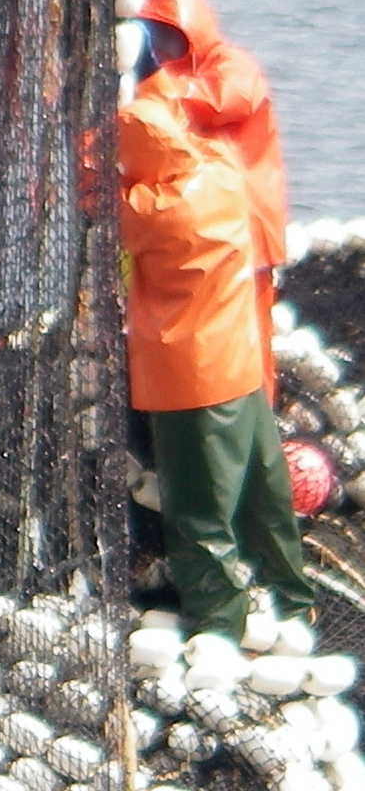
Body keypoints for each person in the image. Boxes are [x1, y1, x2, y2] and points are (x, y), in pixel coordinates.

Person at [116, 90, 314, 643]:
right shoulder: (220, 173)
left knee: (199, 511)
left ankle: (217, 625)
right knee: (261, 496)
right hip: (240, 367)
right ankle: (292, 602)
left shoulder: (160, 209)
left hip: (190, 380)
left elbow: (100, 204)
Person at [133, 0, 287, 394]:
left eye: (171, 37)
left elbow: (222, 99)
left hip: (249, 237)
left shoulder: (230, 65)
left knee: (250, 352)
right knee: (207, 356)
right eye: (156, 38)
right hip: (202, 240)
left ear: (194, 30)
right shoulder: (153, 91)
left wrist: (156, 94)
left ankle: (258, 435)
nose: (163, 50)